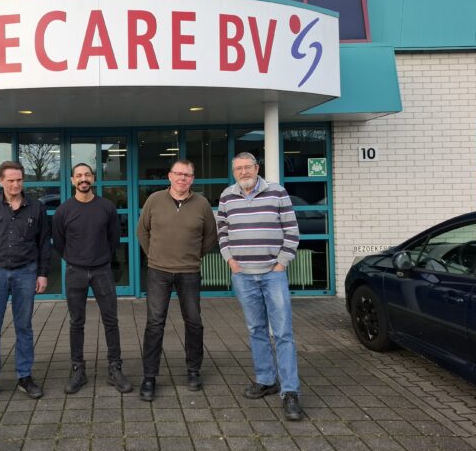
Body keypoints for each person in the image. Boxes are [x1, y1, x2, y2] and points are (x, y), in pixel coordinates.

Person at [216, 152, 303, 421]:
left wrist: (281, 263)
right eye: (238, 169)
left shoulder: (277, 192)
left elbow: (292, 231)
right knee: (256, 330)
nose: (243, 172)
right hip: (243, 275)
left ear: (257, 168)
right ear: (233, 172)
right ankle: (266, 380)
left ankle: (290, 392)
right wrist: (230, 261)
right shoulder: (227, 196)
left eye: (247, 167)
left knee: (283, 333)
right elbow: (222, 232)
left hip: (272, 274)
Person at [0, 160, 51, 404]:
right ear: (1, 181)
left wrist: (42, 273)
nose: (16, 184)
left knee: (24, 327)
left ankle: (24, 377)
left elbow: (44, 243)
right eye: (11, 180)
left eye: (19, 180)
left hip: (26, 273)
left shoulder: (36, 208)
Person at [136, 159, 217, 401]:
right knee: (155, 324)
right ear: (170, 176)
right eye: (178, 174)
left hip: (189, 271)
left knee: (194, 322)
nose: (183, 178)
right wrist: (154, 255)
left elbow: (210, 236)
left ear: (193, 179)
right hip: (158, 271)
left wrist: (194, 256)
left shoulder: (202, 204)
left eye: (187, 175)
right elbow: (142, 231)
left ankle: (193, 371)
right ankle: (149, 377)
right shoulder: (154, 200)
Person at [52, 163, 132, 394]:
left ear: (93, 178)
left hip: (102, 271)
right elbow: (59, 243)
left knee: (111, 321)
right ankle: (78, 370)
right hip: (75, 272)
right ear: (72, 180)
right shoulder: (63, 211)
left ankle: (115, 369)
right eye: (78, 175)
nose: (83, 179)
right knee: (76, 322)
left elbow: (114, 239)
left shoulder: (107, 207)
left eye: (87, 175)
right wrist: (76, 258)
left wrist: (100, 258)